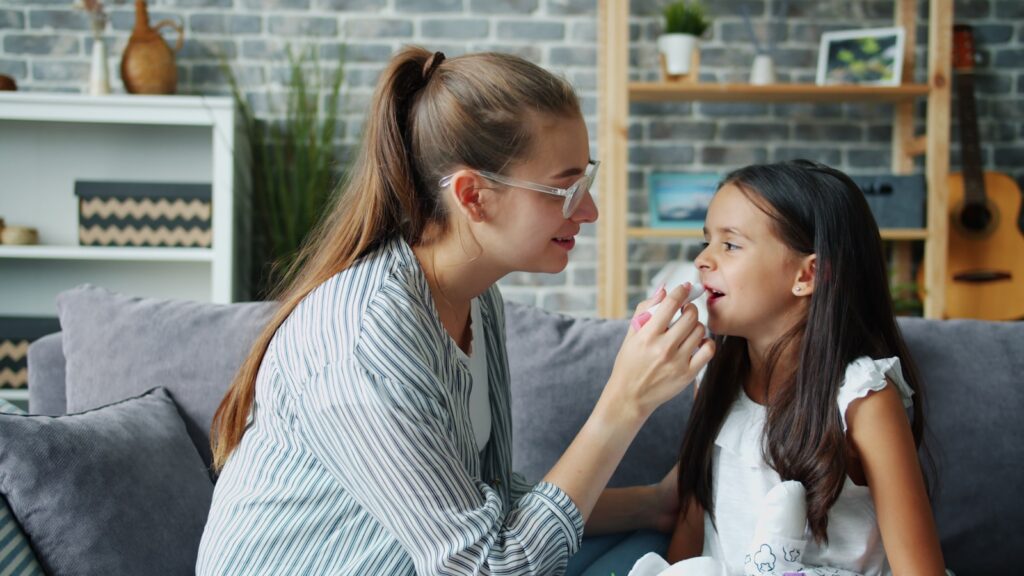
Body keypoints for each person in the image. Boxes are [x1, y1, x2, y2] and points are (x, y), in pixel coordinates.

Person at [196, 46, 715, 575]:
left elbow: (479, 503)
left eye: (587, 181)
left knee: (659, 556)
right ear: (473, 196)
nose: (589, 210)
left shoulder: (475, 298)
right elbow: (486, 566)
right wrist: (624, 402)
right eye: (564, 189)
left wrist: (651, 502)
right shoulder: (366, 341)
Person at [655, 160, 945, 576]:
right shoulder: (711, 376)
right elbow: (692, 529)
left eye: (730, 245)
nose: (702, 260)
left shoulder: (863, 399)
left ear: (808, 275)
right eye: (706, 241)